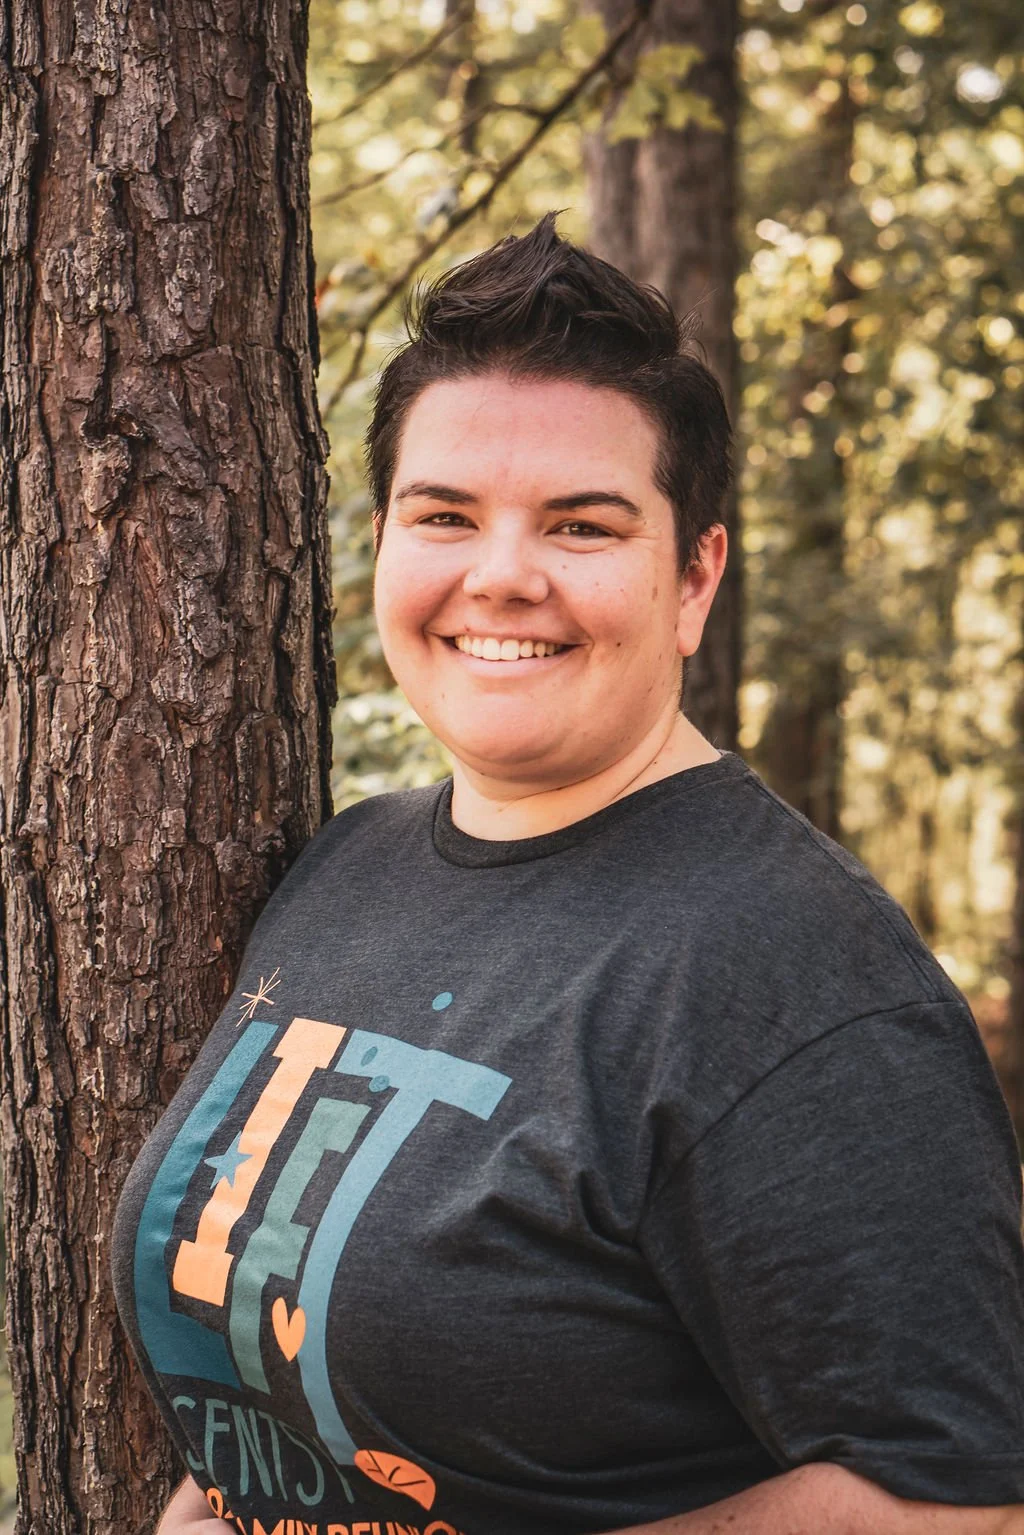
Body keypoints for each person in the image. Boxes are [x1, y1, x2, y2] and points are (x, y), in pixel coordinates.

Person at [111, 214, 1024, 1535]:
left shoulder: (792, 975)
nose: (501, 576)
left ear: (694, 578)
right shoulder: (348, 870)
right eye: (445, 515)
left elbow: (962, 1498)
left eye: (582, 526)